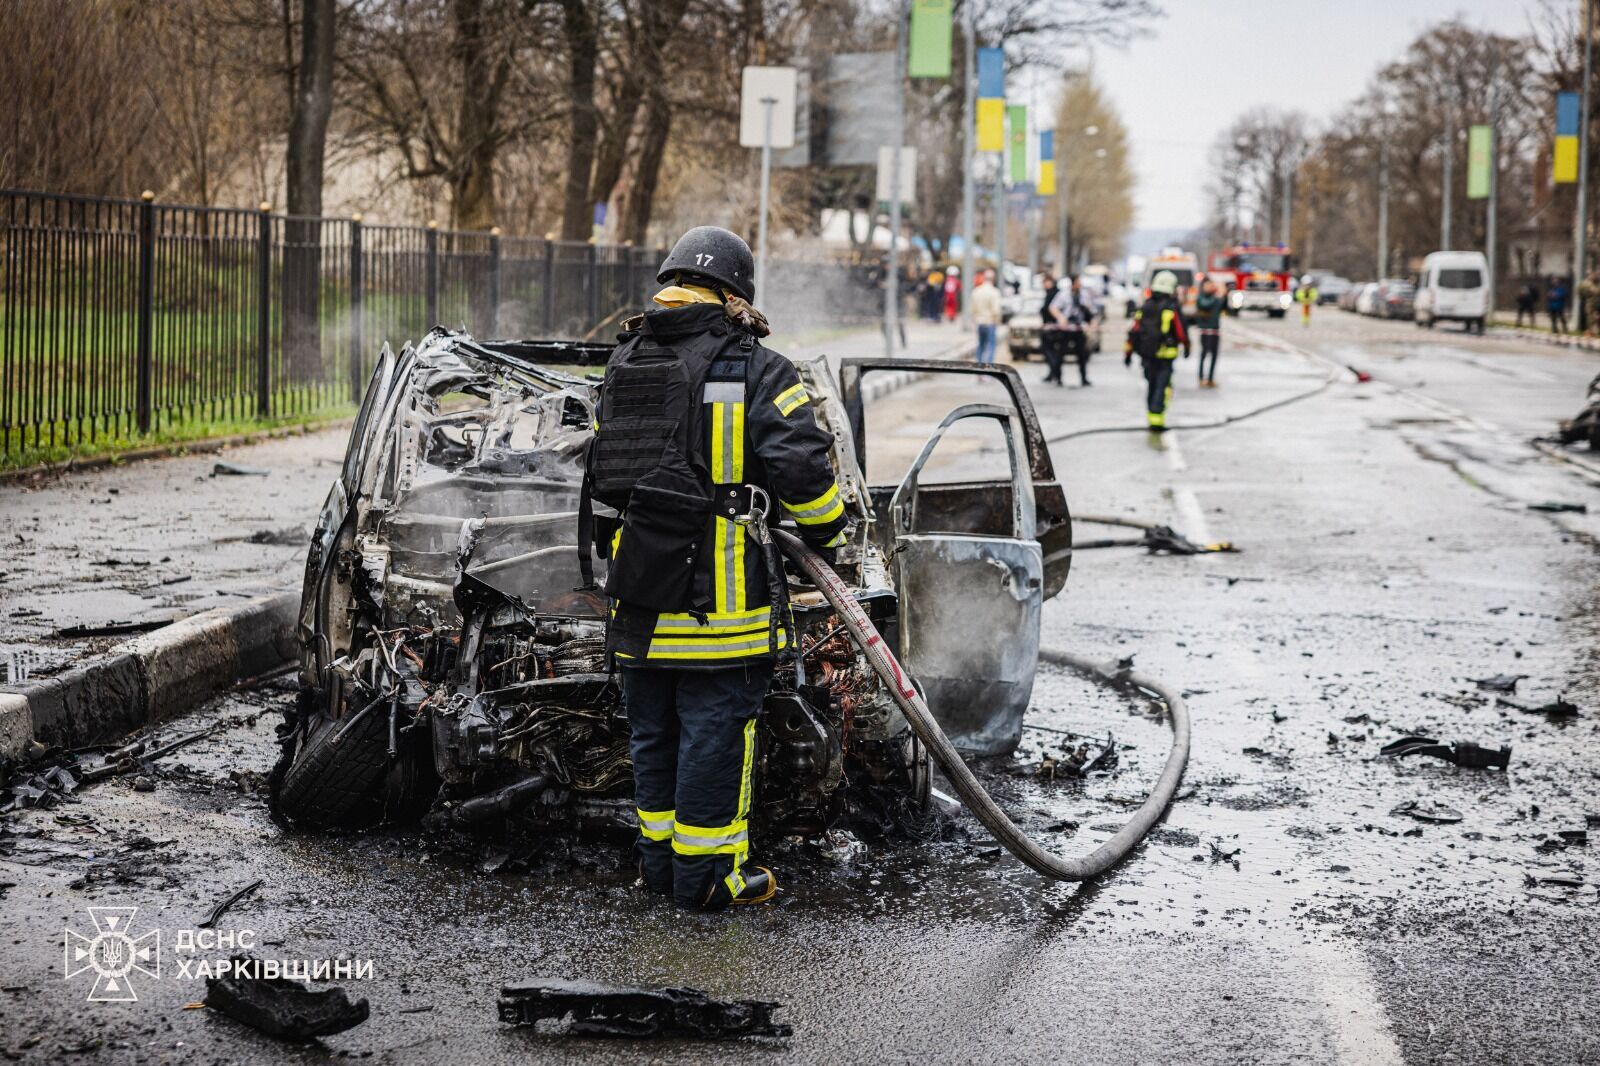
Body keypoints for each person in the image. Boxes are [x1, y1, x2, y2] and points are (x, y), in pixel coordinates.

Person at [586, 226, 850, 911]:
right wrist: (826, 530)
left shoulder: (624, 364)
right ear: (735, 295)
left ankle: (658, 868)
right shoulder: (758, 369)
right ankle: (707, 880)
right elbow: (805, 476)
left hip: (639, 600)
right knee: (714, 737)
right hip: (720, 610)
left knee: (653, 736)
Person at [1124, 269, 1190, 430]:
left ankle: (1152, 416)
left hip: (1147, 355)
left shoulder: (1145, 306)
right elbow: (1181, 331)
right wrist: (1187, 346)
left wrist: (1128, 353)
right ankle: (1157, 419)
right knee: (1162, 386)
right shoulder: (1171, 308)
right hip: (1165, 356)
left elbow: (1134, 331)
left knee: (1152, 385)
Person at [1049, 274, 1101, 386]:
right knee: (1060, 354)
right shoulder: (1063, 294)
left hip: (1079, 328)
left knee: (1082, 354)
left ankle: (1084, 378)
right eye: (1078, 281)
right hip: (1066, 328)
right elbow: (1053, 307)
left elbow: (1092, 310)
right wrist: (1061, 318)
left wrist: (1091, 323)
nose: (1080, 284)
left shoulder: (1084, 295)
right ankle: (1057, 378)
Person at [1193, 279, 1225, 387]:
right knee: (1204, 354)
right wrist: (1218, 296)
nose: (1210, 287)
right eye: (1208, 285)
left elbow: (1223, 307)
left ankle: (1210, 378)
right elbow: (1206, 305)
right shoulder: (1201, 297)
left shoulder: (1215, 298)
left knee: (1214, 355)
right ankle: (1201, 378)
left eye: (1211, 285)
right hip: (1205, 331)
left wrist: (1223, 295)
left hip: (1215, 330)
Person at [1038, 272, 1064, 384]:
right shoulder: (1055, 293)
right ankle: (1053, 373)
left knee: (1049, 351)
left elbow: (1048, 309)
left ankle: (1055, 372)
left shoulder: (1053, 294)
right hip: (1053, 326)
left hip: (1052, 327)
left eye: (1044, 282)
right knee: (1052, 352)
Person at [971, 268, 1001, 364]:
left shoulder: (976, 291)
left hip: (980, 322)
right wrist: (997, 321)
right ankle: (989, 370)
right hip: (990, 322)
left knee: (981, 345)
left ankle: (979, 369)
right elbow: (996, 310)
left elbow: (973, 309)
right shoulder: (994, 292)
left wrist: (976, 319)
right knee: (991, 346)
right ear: (993, 279)